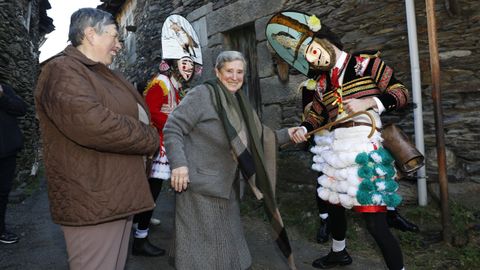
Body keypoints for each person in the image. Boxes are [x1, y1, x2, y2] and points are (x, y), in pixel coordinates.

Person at [266, 11, 408, 269]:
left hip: (364, 147)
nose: (313, 58)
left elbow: (400, 94)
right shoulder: (321, 82)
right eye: (307, 57)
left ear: (326, 41)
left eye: (314, 50)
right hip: (335, 150)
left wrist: (370, 101)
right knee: (333, 206)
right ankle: (339, 253)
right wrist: (303, 127)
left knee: (375, 222)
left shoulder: (367, 65)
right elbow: (316, 115)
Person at [35, 8, 159, 270]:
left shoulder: (100, 73)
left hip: (116, 197)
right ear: (90, 34)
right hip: (93, 200)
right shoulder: (62, 70)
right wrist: (150, 137)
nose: (119, 45)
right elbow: (93, 124)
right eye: (114, 36)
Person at [163, 51, 299, 270]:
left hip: (229, 186)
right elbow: (173, 127)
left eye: (240, 72)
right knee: (200, 255)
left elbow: (259, 137)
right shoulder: (202, 95)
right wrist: (179, 164)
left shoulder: (239, 102)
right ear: (217, 72)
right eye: (229, 71)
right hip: (200, 187)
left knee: (228, 251)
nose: (235, 77)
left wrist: (289, 134)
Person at [131, 14, 202, 257]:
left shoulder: (173, 85)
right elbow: (150, 113)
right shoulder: (160, 83)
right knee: (151, 192)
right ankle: (140, 238)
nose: (188, 68)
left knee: (153, 191)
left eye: (190, 65)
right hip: (157, 148)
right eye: (184, 64)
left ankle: (141, 226)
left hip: (166, 143)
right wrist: (176, 123)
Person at [0, 83, 27, 244]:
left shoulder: (5, 89)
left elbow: (21, 109)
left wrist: (3, 97)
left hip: (6, 152)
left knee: (2, 194)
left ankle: (1, 230)